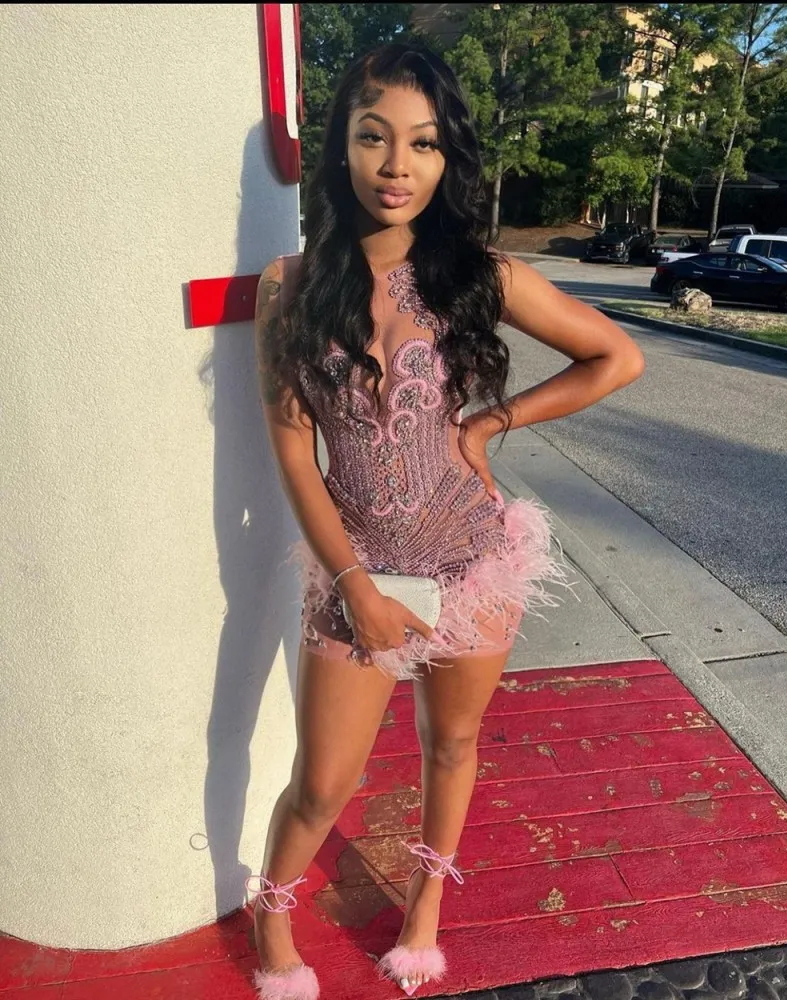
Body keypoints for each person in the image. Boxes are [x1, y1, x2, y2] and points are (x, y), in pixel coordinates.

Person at [246, 41, 645, 1000]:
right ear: (340, 145)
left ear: (446, 157)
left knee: (453, 745)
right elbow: (295, 455)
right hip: (358, 571)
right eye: (373, 136)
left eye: (423, 144)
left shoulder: (478, 276)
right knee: (322, 784)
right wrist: (354, 587)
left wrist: (491, 422)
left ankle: (426, 908)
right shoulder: (288, 286)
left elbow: (616, 357)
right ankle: (271, 913)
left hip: (473, 561)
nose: (397, 165)